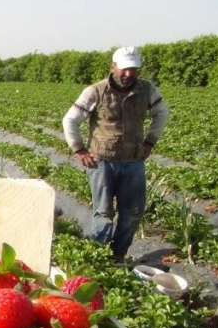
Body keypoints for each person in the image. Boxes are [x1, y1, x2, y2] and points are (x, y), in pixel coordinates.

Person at [62, 46, 170, 264]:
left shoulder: (147, 90)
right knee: (103, 212)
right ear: (113, 67)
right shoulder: (96, 91)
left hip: (133, 162)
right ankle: (98, 256)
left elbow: (162, 113)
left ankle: (118, 254)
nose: (129, 73)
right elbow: (70, 119)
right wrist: (80, 150)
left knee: (133, 212)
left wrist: (149, 142)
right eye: (124, 69)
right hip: (102, 162)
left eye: (133, 69)